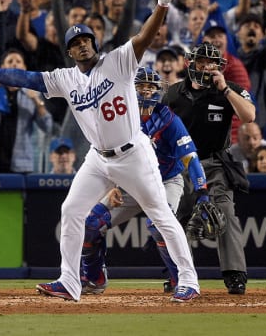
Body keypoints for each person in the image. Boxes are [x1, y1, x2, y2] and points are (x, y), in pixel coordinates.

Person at [0, 0, 201, 302]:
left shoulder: (118, 62)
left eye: (86, 41)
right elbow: (25, 78)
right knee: (71, 210)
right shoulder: (65, 78)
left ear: (94, 44)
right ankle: (69, 282)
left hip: (133, 154)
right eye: (75, 44)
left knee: (161, 215)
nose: (82, 46)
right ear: (69, 51)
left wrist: (162, 8)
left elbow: (142, 37)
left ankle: (189, 280)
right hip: (98, 157)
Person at [79, 67, 212, 295]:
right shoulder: (117, 116)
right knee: (91, 223)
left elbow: (190, 157)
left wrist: (202, 191)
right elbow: (103, 154)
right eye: (141, 86)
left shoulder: (169, 119)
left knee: (159, 225)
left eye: (151, 87)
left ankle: (180, 280)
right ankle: (94, 279)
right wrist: (111, 185)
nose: (146, 92)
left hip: (166, 181)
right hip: (128, 183)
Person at [162, 41, 256, 295]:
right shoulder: (173, 93)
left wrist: (225, 89)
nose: (207, 66)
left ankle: (235, 274)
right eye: (202, 61)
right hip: (180, 164)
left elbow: (249, 116)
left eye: (212, 62)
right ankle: (178, 273)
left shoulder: (227, 90)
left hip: (214, 163)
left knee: (224, 212)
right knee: (173, 217)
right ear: (190, 63)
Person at [0, 48, 53, 173]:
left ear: (24, 67)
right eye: (10, 61)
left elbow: (47, 127)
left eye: (18, 61)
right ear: (2, 67)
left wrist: (37, 101)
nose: (14, 64)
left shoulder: (32, 94)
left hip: (21, 164)